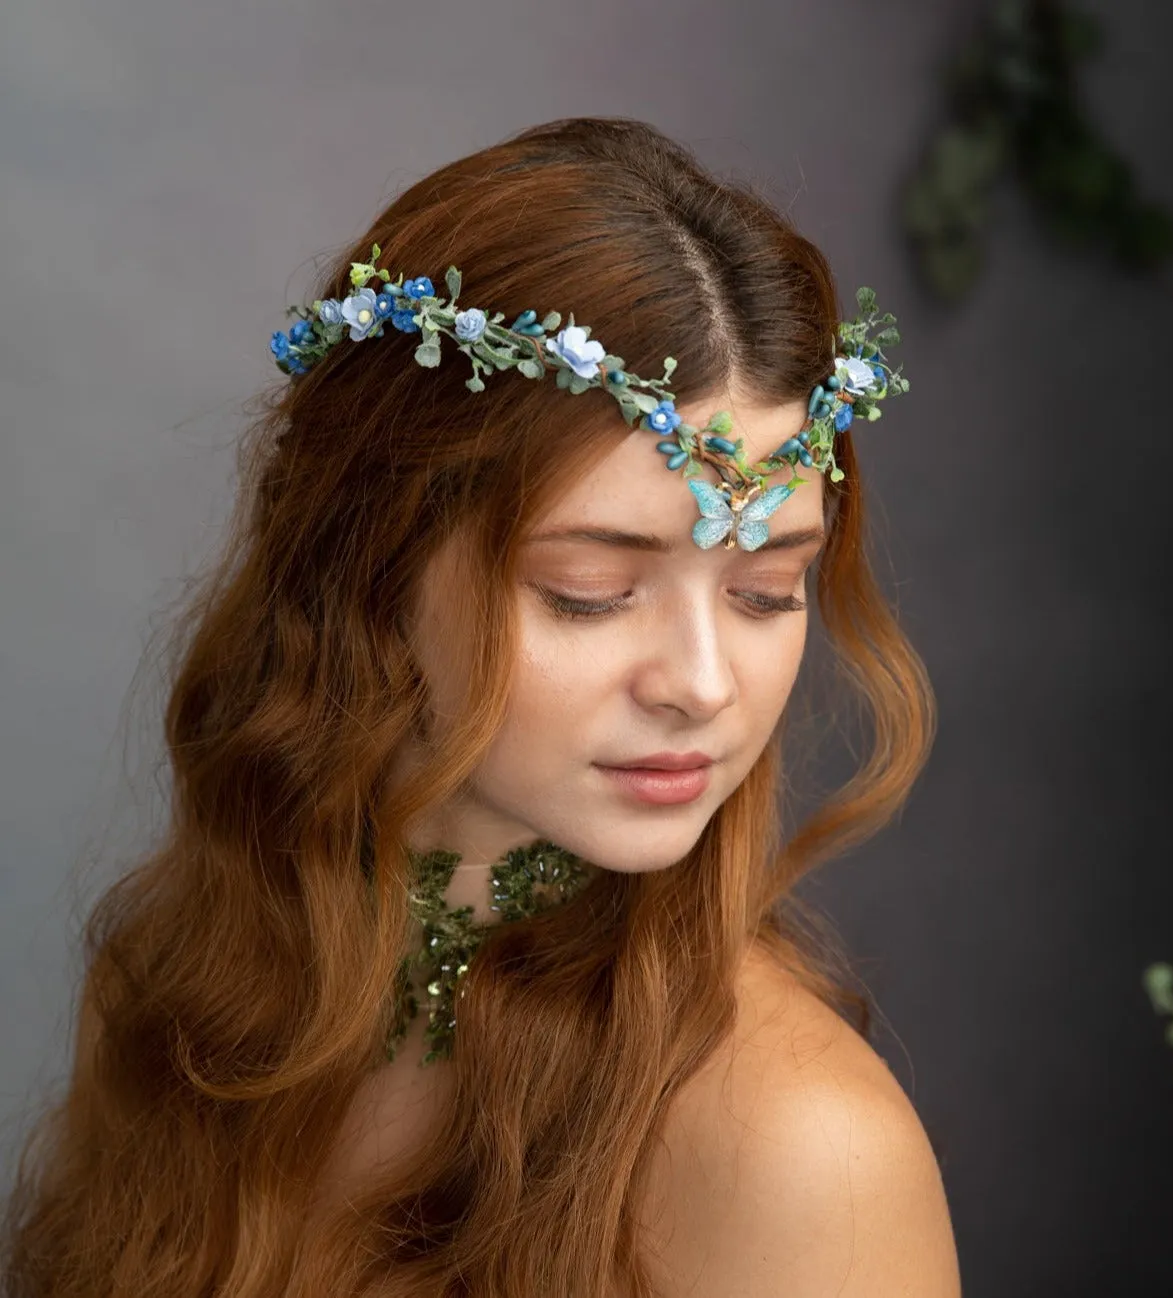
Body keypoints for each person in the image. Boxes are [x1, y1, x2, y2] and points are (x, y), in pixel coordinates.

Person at [1, 116, 959, 1297]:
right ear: (373, 564)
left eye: (766, 591)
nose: (703, 684)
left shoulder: (797, 1150)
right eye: (591, 593)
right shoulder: (180, 995)